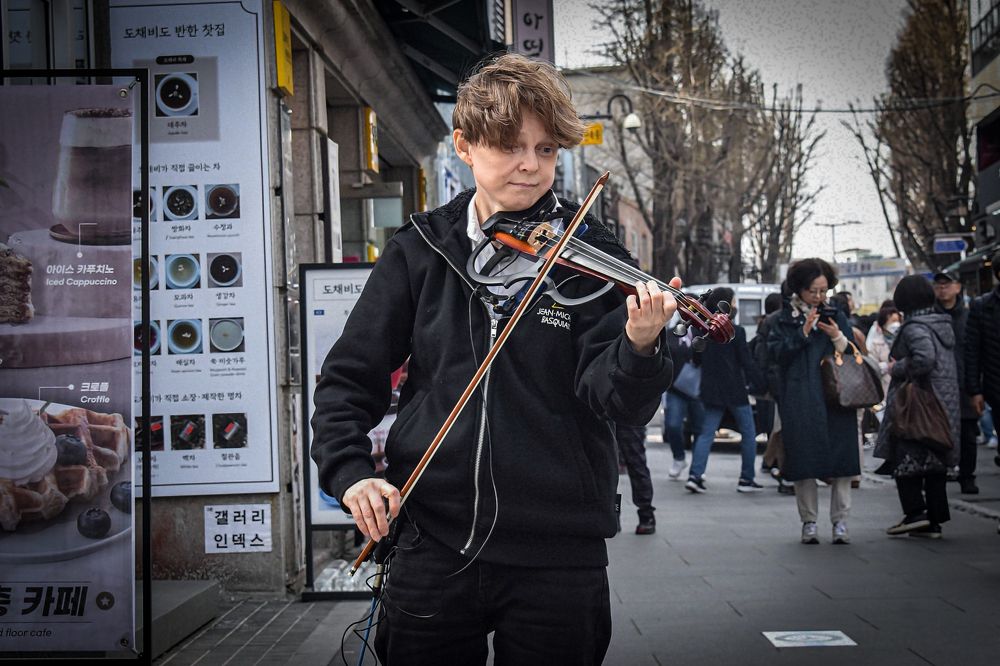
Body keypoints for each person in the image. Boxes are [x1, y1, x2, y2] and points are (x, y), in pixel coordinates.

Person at [310, 53, 678, 665]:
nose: (530, 167)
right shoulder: (421, 249)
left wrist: (640, 346)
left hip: (558, 550)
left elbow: (618, 403)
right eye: (510, 147)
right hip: (432, 537)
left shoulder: (591, 256)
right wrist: (350, 475)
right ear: (464, 145)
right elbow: (348, 378)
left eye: (546, 150)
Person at [768, 258, 859, 545]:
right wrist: (803, 333)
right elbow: (774, 356)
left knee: (842, 461)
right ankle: (809, 521)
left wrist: (838, 337)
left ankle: (840, 521)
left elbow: (854, 354)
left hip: (836, 396)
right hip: (800, 398)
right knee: (803, 460)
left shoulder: (835, 314)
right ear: (799, 289)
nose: (819, 297)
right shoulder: (783, 318)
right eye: (813, 291)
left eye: (823, 291)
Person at [877, 275, 959, 539]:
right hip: (942, 401)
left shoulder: (915, 327)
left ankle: (916, 513)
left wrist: (896, 367)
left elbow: (924, 359)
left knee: (905, 456)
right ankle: (934, 520)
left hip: (919, 402)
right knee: (935, 462)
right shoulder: (941, 323)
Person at [685, 287, 764, 494]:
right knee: (748, 433)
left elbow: (696, 359)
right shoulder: (736, 332)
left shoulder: (702, 330)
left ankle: (695, 475)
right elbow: (746, 362)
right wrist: (761, 384)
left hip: (710, 389)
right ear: (727, 304)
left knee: (706, 434)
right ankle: (746, 479)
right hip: (735, 389)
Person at [933, 270, 979, 494]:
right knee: (939, 434)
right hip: (938, 385)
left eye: (947, 284)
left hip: (965, 383)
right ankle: (940, 476)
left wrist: (976, 385)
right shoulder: (930, 315)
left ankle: (967, 476)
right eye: (939, 285)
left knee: (968, 434)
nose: (943, 288)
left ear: (958, 287)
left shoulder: (970, 315)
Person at [752, 290, 794, 494]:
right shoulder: (774, 322)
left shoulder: (768, 322)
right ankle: (782, 469)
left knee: (780, 427)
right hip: (779, 383)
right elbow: (764, 354)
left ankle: (773, 463)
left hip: (776, 383)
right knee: (782, 428)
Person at [663, 323, 705, 480]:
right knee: (673, 426)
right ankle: (678, 458)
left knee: (700, 429)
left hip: (697, 389)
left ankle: (697, 466)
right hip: (675, 388)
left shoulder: (702, 333)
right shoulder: (670, 333)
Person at [615, 423, 656, 534]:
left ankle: (646, 514)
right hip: (615, 414)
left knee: (636, 463)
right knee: (607, 466)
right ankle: (613, 512)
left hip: (628, 415)